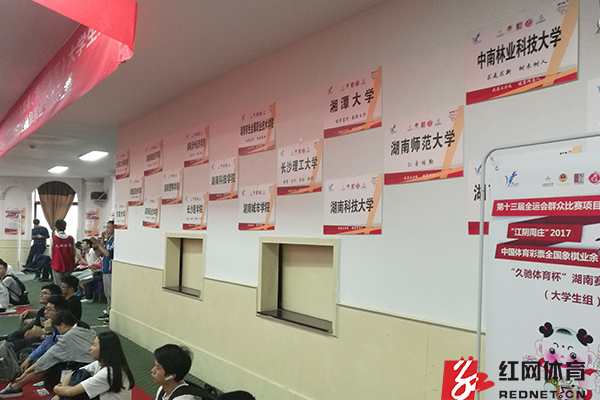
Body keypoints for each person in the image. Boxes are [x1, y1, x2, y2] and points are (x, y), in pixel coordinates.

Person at [0, 311, 95, 398]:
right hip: (84, 365)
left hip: (80, 369)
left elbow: (48, 356)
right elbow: (47, 348)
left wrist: (48, 333)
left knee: (46, 364)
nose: (45, 312)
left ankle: (16, 386)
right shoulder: (86, 329)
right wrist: (30, 358)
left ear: (62, 324)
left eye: (49, 309)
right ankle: (17, 385)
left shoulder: (68, 337)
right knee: (33, 355)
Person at [52, 331, 135, 400]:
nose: (91, 348)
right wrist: (61, 394)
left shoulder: (108, 373)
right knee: (80, 375)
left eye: (94, 345)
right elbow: (72, 373)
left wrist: (57, 389)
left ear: (104, 350)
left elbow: (69, 392)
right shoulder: (100, 363)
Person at [92, 221, 114, 322]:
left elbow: (108, 254)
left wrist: (98, 244)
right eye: (106, 227)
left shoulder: (114, 241)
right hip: (104, 269)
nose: (106, 229)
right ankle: (108, 310)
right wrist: (101, 241)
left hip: (110, 270)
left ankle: (110, 313)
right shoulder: (108, 240)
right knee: (107, 293)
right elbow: (100, 253)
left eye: (109, 227)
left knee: (110, 293)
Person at [50, 219, 75, 285]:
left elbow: (51, 252)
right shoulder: (71, 238)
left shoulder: (54, 238)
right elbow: (74, 251)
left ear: (56, 228)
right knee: (68, 284)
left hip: (57, 264)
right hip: (69, 264)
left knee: (58, 284)